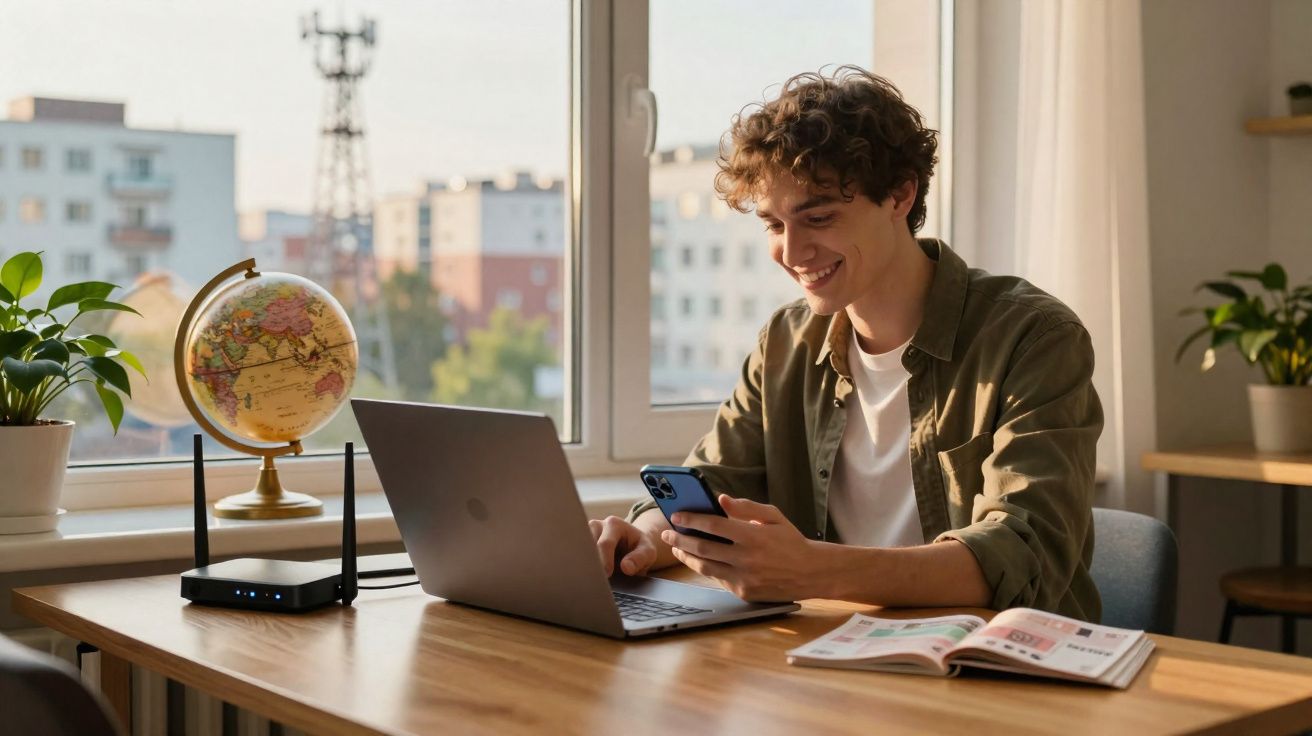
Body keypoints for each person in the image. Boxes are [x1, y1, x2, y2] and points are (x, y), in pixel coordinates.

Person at [590, 66, 1102, 621]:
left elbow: (1022, 554)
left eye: (819, 217)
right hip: (835, 662)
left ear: (900, 195)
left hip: (999, 671)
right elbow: (711, 482)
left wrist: (815, 569)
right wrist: (644, 535)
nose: (792, 250)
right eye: (773, 225)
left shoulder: (1034, 338)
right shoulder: (786, 342)